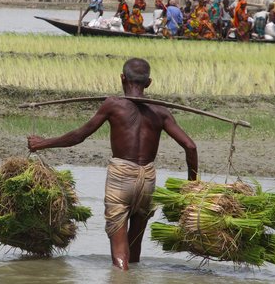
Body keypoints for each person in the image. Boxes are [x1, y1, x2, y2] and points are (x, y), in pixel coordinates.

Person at [27, 58, 198, 271]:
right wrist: (192, 186)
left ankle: (121, 277)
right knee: (134, 248)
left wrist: (42, 144)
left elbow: (79, 135)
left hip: (121, 177)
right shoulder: (160, 111)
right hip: (147, 180)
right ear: (149, 83)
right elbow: (190, 147)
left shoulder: (113, 105)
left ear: (122, 78)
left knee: (119, 251)